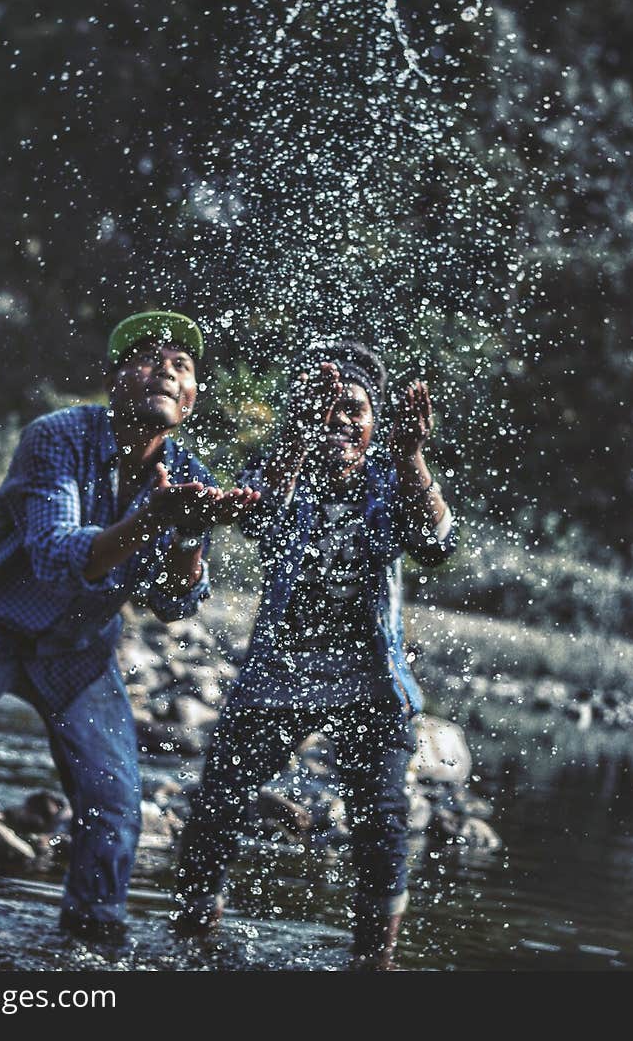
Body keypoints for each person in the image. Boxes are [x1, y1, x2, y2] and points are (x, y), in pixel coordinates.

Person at [0, 311, 259, 943]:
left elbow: (175, 604)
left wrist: (190, 535)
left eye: (183, 366)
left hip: (74, 647)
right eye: (149, 359)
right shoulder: (56, 436)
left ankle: (92, 938)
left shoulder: (187, 474)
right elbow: (57, 553)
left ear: (195, 397)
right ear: (114, 377)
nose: (167, 372)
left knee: (115, 800)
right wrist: (153, 518)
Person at [173, 339, 458, 969]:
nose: (340, 421)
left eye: (354, 409)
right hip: (277, 678)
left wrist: (413, 458)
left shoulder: (391, 478)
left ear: (376, 422)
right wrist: (293, 441)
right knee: (214, 809)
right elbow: (254, 516)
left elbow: (437, 542)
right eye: (324, 408)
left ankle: (373, 968)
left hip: (372, 683)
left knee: (381, 825)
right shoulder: (283, 467)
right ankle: (192, 946)